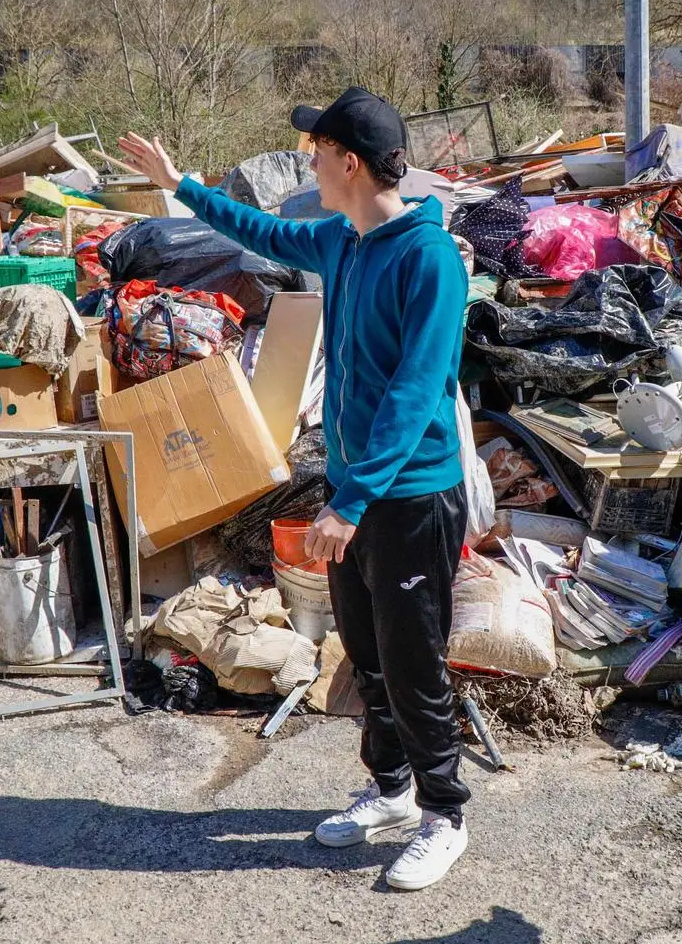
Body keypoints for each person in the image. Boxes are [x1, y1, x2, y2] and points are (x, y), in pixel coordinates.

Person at [117, 86, 473, 892]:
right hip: (355, 488)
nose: (307, 159)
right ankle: (389, 791)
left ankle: (444, 813)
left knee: (414, 664)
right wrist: (182, 186)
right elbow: (262, 230)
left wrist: (349, 504)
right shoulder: (345, 240)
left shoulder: (428, 257)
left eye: (317, 150)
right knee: (369, 657)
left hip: (410, 497)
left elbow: (415, 394)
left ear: (349, 163)